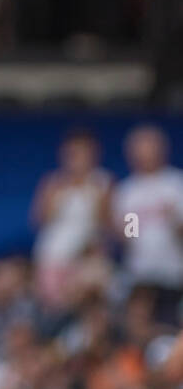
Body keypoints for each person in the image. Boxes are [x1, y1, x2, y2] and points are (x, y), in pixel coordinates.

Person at [30, 128, 114, 313]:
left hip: (85, 259)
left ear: (94, 154)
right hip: (53, 257)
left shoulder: (103, 182)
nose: (77, 159)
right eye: (72, 153)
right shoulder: (52, 182)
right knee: (53, 310)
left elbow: (107, 226)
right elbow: (38, 220)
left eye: (83, 153)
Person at [112, 124, 183, 326]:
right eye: (139, 149)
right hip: (141, 275)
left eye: (149, 148)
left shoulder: (177, 184)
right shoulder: (128, 191)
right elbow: (130, 236)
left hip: (174, 273)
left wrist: (175, 221)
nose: (144, 155)